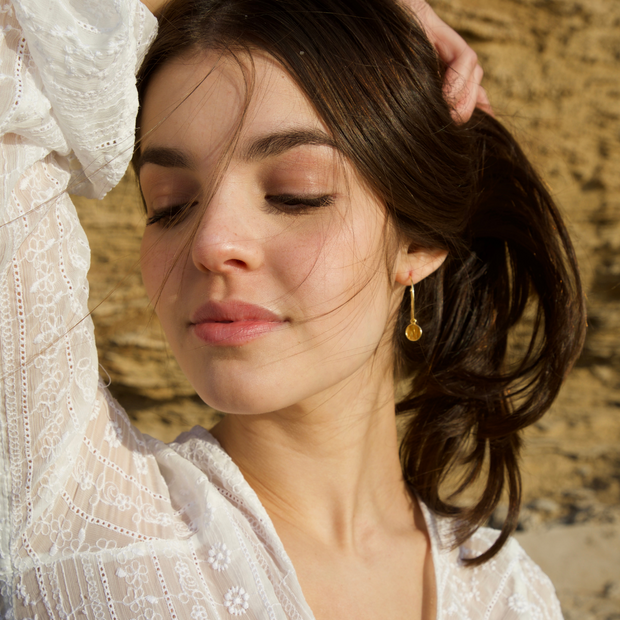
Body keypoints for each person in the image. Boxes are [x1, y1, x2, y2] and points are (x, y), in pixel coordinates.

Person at [0, 0, 584, 619]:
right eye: (168, 204)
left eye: (293, 195)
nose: (209, 243)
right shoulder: (66, 506)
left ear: (418, 240)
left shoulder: (515, 597)